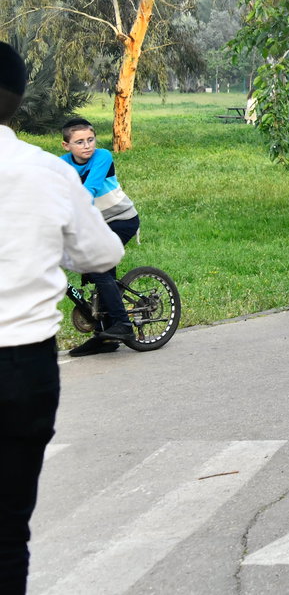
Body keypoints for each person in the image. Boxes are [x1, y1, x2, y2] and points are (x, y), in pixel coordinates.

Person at [0, 41, 125, 594]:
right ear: (18, 100)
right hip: (22, 368)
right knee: (7, 531)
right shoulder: (46, 172)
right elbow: (101, 253)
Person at [58, 118, 139, 355]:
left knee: (99, 268)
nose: (87, 146)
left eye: (90, 139)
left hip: (120, 220)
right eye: (79, 142)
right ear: (66, 145)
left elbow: (89, 190)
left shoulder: (102, 156)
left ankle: (123, 325)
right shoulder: (61, 165)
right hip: (93, 224)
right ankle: (105, 336)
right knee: (98, 274)